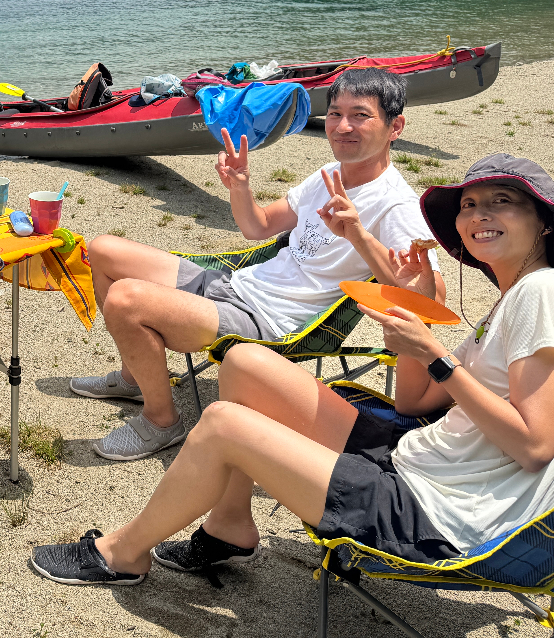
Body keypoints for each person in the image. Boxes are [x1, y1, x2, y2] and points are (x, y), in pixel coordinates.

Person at [29, 154, 554, 590]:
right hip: (422, 455)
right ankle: (230, 524)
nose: (479, 216)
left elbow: (535, 446)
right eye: (471, 205)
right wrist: (408, 324)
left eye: (502, 202)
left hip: (441, 514)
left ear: (545, 224)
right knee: (246, 361)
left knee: (225, 423)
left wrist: (439, 356)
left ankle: (123, 555)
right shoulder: (519, 295)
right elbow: (411, 405)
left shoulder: (544, 294)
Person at [72, 68, 444, 461]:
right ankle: (136, 377)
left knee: (127, 300)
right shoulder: (329, 175)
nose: (342, 126)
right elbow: (258, 226)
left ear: (395, 126)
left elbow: (429, 301)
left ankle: (161, 421)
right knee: (103, 249)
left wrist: (359, 236)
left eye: (360, 115)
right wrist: (241, 187)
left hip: (273, 322)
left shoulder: (396, 206)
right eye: (335, 113)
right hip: (239, 284)